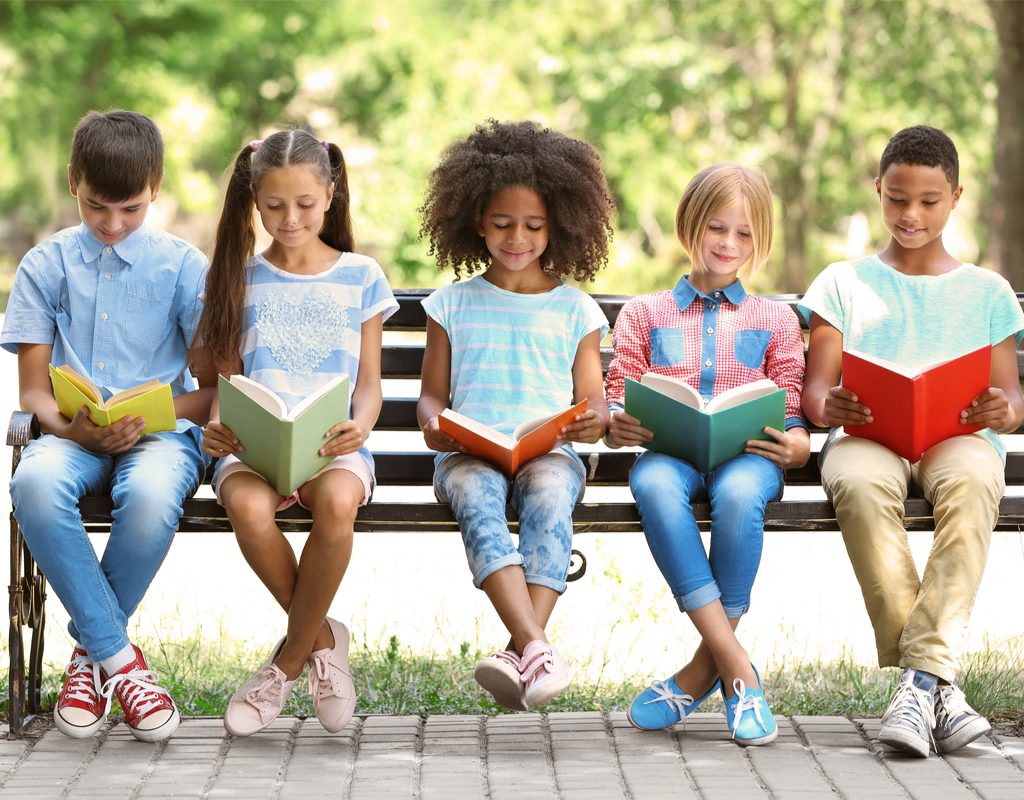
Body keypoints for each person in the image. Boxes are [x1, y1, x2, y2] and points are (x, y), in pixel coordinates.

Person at [800, 125, 1024, 758]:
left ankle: (917, 682)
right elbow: (816, 393)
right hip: (871, 433)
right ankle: (935, 688)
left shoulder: (987, 292)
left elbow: (1012, 398)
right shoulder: (842, 283)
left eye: (928, 201)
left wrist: (1000, 409)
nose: (911, 214)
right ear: (878, 191)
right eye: (897, 199)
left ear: (955, 196)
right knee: (861, 486)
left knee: (976, 482)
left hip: (958, 435)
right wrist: (830, 405)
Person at [3, 110, 212, 742]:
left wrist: (156, 417)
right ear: (74, 183)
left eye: (131, 209)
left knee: (149, 495)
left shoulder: (184, 268)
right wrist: (78, 432)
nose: (113, 225)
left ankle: (88, 659)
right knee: (32, 485)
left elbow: (212, 394)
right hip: (72, 434)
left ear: (156, 187)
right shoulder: (46, 265)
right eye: (98, 208)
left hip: (162, 435)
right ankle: (122, 663)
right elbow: (36, 392)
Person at [192, 129, 397, 736]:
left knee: (338, 501)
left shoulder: (361, 275)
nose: (290, 219)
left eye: (305, 205)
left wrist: (360, 427)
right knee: (248, 507)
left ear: (330, 195)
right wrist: (216, 429)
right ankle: (325, 638)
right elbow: (226, 380)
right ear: (255, 201)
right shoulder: (240, 276)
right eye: (275, 206)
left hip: (332, 445)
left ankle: (285, 665)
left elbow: (370, 384)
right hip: (255, 446)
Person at [605, 164, 809, 746]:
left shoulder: (774, 318)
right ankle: (736, 668)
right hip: (670, 452)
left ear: (760, 239)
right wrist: (619, 425)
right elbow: (623, 389)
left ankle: (702, 671)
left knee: (741, 493)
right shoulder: (645, 312)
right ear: (689, 226)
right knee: (654, 487)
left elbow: (790, 399)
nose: (727, 244)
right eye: (716, 228)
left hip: (749, 455)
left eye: (744, 234)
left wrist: (796, 443)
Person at [417, 120, 614, 710]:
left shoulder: (575, 309)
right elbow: (431, 395)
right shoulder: (450, 304)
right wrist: (434, 423)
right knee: (477, 500)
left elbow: (595, 401)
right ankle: (537, 647)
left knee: (552, 496)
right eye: (502, 224)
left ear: (559, 226)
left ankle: (517, 652)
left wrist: (592, 421)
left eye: (533, 226)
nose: (516, 238)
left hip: (548, 452)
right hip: (467, 455)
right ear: (477, 222)